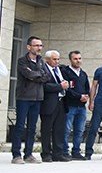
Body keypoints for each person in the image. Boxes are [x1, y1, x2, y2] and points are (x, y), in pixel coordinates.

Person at [10, 36, 50, 164]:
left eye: (40, 45)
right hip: (24, 97)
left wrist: (36, 75)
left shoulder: (41, 61)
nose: (39, 48)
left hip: (38, 98)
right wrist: (38, 75)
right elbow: (28, 75)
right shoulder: (22, 61)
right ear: (29, 47)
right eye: (36, 45)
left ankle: (28, 154)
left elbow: (47, 76)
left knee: (32, 127)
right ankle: (16, 155)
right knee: (20, 126)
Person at [39, 50, 71, 162]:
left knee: (59, 129)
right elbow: (44, 86)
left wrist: (66, 84)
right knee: (47, 129)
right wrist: (60, 86)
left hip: (61, 101)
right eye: (54, 59)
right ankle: (46, 153)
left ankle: (58, 153)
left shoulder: (59, 70)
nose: (57, 61)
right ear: (47, 59)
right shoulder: (43, 69)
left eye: (58, 59)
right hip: (49, 103)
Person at [61, 50, 90, 160]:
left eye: (79, 58)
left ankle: (76, 151)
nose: (78, 61)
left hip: (81, 107)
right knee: (67, 129)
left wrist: (86, 96)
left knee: (80, 130)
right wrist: (79, 97)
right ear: (70, 59)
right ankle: (64, 151)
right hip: (70, 105)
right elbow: (67, 89)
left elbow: (87, 88)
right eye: (75, 59)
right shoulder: (66, 72)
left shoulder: (83, 74)